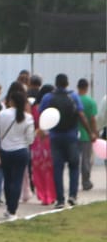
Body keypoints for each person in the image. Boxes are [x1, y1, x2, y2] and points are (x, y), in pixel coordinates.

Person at [38, 74, 95, 208]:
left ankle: (60, 199)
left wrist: (42, 131)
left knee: (57, 168)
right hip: (71, 136)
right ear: (67, 83)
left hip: (55, 137)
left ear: (56, 83)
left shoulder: (48, 97)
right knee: (74, 166)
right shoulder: (73, 96)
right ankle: (72, 196)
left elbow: (43, 114)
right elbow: (81, 115)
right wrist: (89, 132)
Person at [0, 85, 36, 218]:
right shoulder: (28, 118)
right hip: (21, 151)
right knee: (17, 180)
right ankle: (13, 210)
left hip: (5, 151)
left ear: (11, 101)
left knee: (7, 180)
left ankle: (8, 207)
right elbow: (30, 139)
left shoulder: (2, 114)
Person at [76, 79, 99, 191]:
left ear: (78, 87)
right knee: (86, 159)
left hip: (74, 133)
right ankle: (85, 181)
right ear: (87, 87)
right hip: (86, 134)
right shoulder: (91, 102)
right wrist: (94, 133)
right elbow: (93, 119)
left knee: (75, 159)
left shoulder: (74, 100)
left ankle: (74, 181)